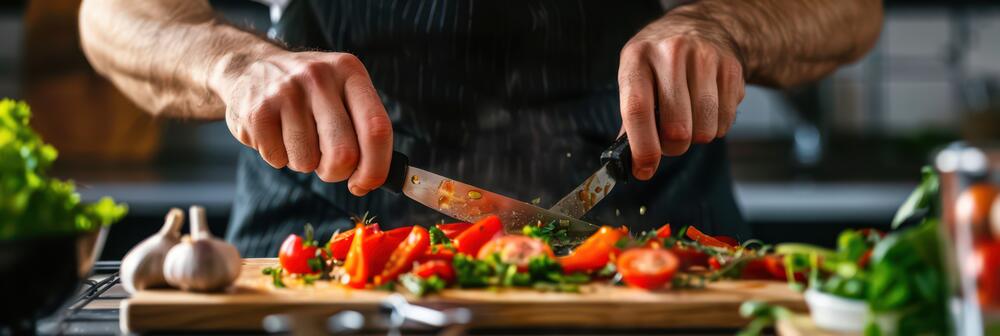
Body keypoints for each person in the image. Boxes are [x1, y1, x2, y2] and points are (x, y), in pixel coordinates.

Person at [79, 0, 883, 256]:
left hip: (654, 254)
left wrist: (725, 27)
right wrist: (234, 65)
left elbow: (852, 13)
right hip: (325, 251)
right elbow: (113, 16)